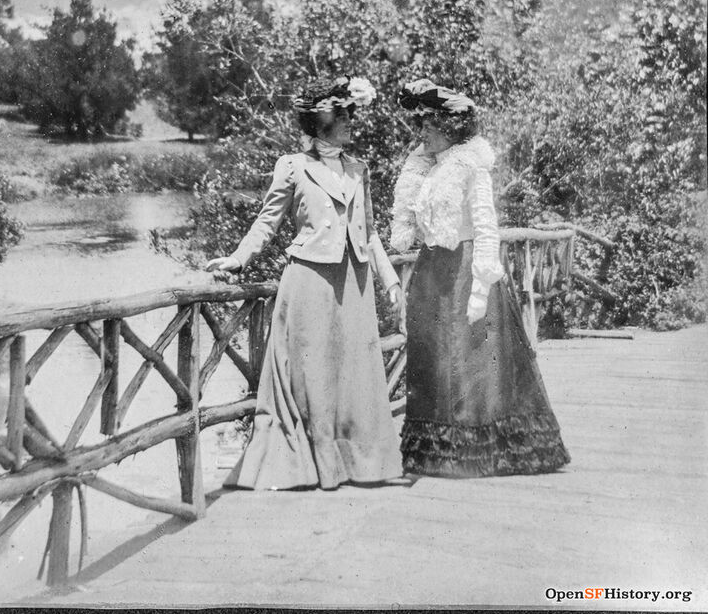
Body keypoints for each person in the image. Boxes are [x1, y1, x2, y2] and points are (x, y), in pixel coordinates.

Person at [208, 75, 404, 490]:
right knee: (313, 372)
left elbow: (369, 232)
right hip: (311, 277)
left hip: (356, 280)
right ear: (320, 123)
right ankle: (316, 467)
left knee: (355, 371)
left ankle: (362, 465)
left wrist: (389, 279)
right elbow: (268, 220)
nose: (351, 123)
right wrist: (239, 258)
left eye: (352, 114)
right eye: (343, 116)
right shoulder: (294, 166)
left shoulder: (358, 169)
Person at [390, 79, 570, 478]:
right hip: (432, 271)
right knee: (435, 360)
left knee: (469, 363)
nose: (421, 135)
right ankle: (436, 452)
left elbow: (487, 229)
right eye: (419, 126)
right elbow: (416, 226)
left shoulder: (472, 166)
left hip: (467, 271)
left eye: (428, 127)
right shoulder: (424, 169)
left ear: (449, 129)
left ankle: (476, 450)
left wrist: (480, 286)